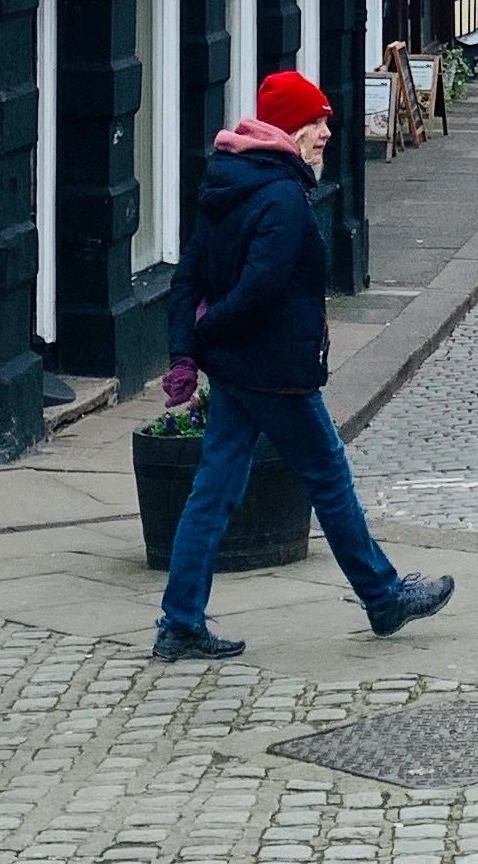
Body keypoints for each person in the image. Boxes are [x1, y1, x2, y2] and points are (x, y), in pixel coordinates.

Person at [154, 70, 452, 659]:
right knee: (329, 479)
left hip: (237, 372)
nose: (325, 133)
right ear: (289, 128)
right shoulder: (283, 197)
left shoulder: (229, 180)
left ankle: (180, 621)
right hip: (276, 373)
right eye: (316, 122)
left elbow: (189, 276)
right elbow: (260, 289)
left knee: (212, 492)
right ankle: (383, 597)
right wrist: (204, 336)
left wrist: (189, 349)